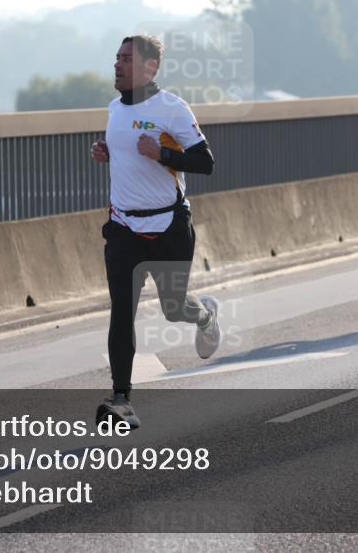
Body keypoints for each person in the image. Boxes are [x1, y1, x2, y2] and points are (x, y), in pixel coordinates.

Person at [90, 34, 220, 429]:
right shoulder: (114, 109)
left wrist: (161, 153)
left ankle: (204, 316)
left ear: (150, 67)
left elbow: (205, 162)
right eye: (116, 57)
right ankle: (121, 400)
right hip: (124, 226)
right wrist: (108, 153)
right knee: (121, 312)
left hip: (168, 226)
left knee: (173, 307)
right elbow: (129, 152)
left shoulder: (172, 108)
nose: (117, 64)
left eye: (127, 59)